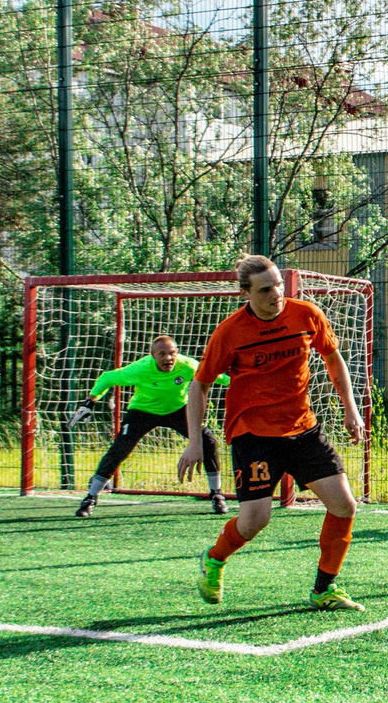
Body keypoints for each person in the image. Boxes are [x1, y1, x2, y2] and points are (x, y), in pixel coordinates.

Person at [181, 256, 369, 612]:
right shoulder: (229, 333)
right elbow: (199, 386)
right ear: (246, 293)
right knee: (255, 521)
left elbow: (333, 358)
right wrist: (194, 441)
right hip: (253, 434)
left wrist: (351, 408)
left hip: (303, 428)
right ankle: (215, 557)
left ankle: (324, 589)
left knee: (344, 505)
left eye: (279, 285)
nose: (276, 294)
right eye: (266, 289)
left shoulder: (306, 315)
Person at [73, 335, 227, 517]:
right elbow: (107, 378)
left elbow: (217, 377)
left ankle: (216, 495)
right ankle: (91, 498)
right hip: (142, 411)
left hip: (178, 410)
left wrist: (243, 380)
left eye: (172, 353)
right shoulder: (140, 369)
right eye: (162, 354)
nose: (168, 358)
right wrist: (90, 402)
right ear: (152, 355)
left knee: (207, 440)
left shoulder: (187, 365)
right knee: (120, 449)